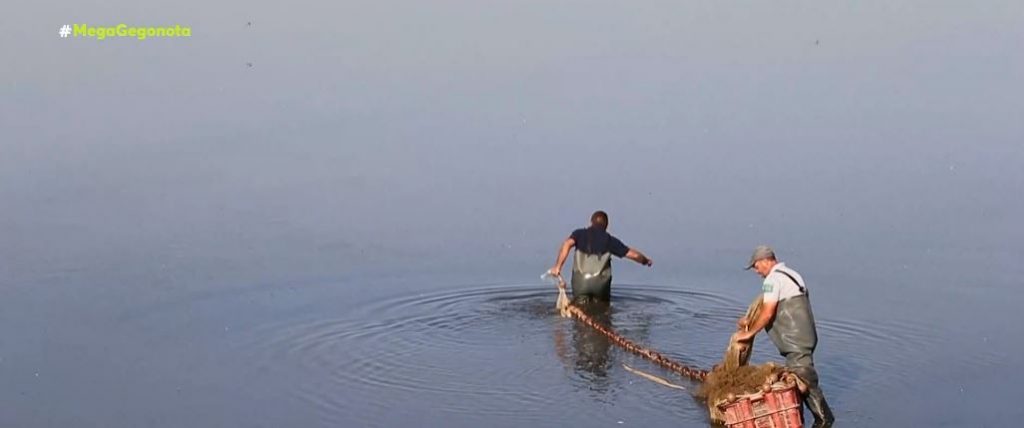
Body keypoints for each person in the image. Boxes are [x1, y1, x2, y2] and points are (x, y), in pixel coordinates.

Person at [734, 245, 835, 427]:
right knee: (799, 378)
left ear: (765, 261)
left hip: (794, 342)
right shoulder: (792, 275)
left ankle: (824, 420)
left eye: (756, 266)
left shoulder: (772, 280)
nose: (757, 272)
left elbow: (768, 312)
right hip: (806, 338)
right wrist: (749, 319)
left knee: (804, 376)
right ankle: (802, 421)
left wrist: (749, 332)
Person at [548, 211, 653, 303]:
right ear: (606, 225)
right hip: (600, 285)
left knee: (580, 309)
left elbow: (567, 244)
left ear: (591, 222)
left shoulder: (579, 234)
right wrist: (645, 260)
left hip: (580, 282)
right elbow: (633, 255)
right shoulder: (610, 240)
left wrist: (558, 266)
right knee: (602, 309)